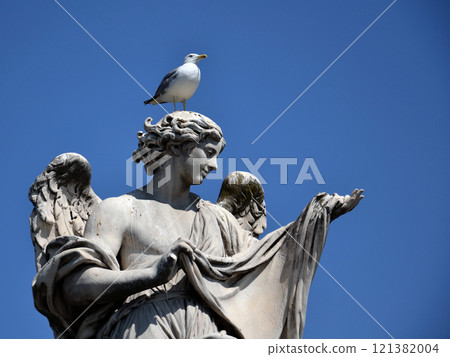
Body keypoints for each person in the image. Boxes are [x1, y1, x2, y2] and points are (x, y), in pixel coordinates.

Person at [32, 111, 363, 339]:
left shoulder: (218, 220)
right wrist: (151, 275)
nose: (214, 165)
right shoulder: (119, 210)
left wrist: (318, 214)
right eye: (207, 152)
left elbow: (263, 263)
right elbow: (77, 285)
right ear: (177, 148)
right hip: (142, 326)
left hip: (208, 328)